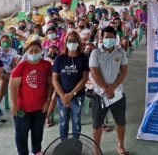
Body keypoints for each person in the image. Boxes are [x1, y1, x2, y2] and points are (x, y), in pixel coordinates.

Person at [90, 26, 129, 155]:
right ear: (101, 38)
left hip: (117, 94)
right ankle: (97, 149)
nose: (109, 39)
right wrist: (107, 89)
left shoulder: (121, 52)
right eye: (106, 37)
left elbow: (124, 72)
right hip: (100, 94)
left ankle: (120, 146)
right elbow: (94, 73)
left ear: (116, 38)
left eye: (112, 37)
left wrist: (112, 88)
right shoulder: (95, 53)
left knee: (121, 122)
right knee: (97, 124)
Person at [10, 40, 53, 155]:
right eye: (31, 51)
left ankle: (37, 151)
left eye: (36, 51)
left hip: (41, 108)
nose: (34, 53)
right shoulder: (21, 66)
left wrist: (48, 100)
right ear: (26, 52)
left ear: (41, 52)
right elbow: (13, 86)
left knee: (38, 132)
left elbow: (50, 84)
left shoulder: (46, 65)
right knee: (21, 133)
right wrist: (14, 104)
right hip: (22, 109)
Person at [52, 30, 89, 139]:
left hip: (77, 96)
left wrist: (71, 94)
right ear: (65, 42)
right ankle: (64, 144)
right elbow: (55, 79)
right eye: (69, 40)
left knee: (76, 120)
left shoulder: (83, 58)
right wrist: (63, 95)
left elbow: (84, 78)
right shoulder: (60, 58)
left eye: (74, 40)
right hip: (61, 97)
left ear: (78, 42)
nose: (71, 42)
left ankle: (75, 144)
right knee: (63, 121)